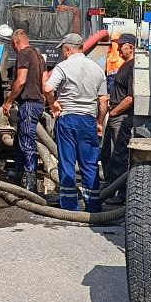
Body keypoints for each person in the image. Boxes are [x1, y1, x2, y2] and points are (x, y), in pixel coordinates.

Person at [43, 33, 108, 212]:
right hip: (88, 120)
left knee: (67, 162)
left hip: (68, 118)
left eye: (64, 50)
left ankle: (70, 207)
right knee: (90, 164)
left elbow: (48, 88)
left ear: (68, 49)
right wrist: (99, 122)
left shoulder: (63, 67)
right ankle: (93, 206)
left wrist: (53, 103)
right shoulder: (97, 69)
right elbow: (103, 100)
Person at [2, 29, 46, 195]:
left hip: (28, 103)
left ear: (15, 42)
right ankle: (19, 177)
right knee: (19, 143)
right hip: (37, 103)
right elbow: (45, 81)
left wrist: (9, 101)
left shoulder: (23, 54)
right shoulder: (39, 56)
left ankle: (30, 184)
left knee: (27, 143)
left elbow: (20, 81)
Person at [101, 33, 137, 206]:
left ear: (131, 47)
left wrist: (115, 112)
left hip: (121, 117)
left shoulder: (133, 67)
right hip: (115, 114)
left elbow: (131, 98)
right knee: (108, 155)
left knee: (120, 156)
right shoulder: (125, 66)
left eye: (121, 44)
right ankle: (108, 189)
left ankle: (122, 194)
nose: (118, 47)